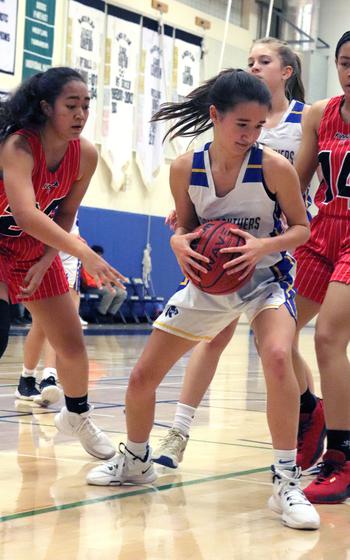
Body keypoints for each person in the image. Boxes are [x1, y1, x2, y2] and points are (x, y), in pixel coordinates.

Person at [87, 69, 320, 530]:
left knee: (277, 356)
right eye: (242, 126)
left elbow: (301, 229)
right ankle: (136, 458)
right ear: (215, 116)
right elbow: (186, 227)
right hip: (209, 283)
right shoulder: (185, 168)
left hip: (265, 277)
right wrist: (176, 241)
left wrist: (261, 247)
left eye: (259, 127)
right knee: (141, 377)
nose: (251, 136)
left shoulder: (274, 166)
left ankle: (285, 480)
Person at [152, 37, 324, 474]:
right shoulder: (233, 119)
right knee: (218, 337)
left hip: (284, 237)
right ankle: (180, 428)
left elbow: (305, 183)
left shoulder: (308, 118)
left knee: (280, 345)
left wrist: (282, 228)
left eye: (264, 60)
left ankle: (307, 411)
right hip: (227, 241)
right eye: (249, 60)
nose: (253, 66)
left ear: (287, 70)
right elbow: (207, 179)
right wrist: (192, 221)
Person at [0, 66, 126, 459]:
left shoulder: (85, 154)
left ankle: (77, 415)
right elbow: (24, 214)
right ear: (45, 107)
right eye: (71, 105)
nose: (81, 114)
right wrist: (81, 251)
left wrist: (50, 257)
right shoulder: (18, 146)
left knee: (71, 344)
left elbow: (64, 213)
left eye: (86, 106)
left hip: (36, 249)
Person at [290, 30, 350, 504]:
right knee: (276, 332)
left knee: (328, 337)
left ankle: (341, 457)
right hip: (320, 229)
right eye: (346, 62)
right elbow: (298, 181)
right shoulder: (319, 114)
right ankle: (311, 411)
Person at [15, 216, 83, 405]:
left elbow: (69, 211)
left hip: (67, 246)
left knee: (61, 322)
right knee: (42, 321)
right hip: (36, 242)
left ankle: (49, 377)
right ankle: (27, 377)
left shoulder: (75, 186)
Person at [80, 244, 127, 323]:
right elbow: (88, 282)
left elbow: (106, 277)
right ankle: (100, 314)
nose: (100, 257)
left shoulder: (101, 265)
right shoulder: (85, 264)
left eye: (101, 255)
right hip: (91, 288)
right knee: (110, 292)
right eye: (98, 255)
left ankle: (110, 314)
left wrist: (111, 282)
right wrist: (104, 283)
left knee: (123, 293)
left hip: (102, 287)